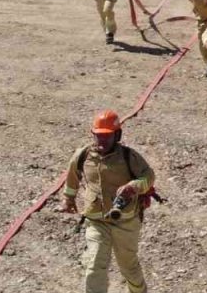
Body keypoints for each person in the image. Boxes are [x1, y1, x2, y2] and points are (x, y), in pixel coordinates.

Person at [60, 110, 155, 293]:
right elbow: (73, 175)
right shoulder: (83, 155)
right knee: (94, 266)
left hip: (125, 222)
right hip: (96, 221)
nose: (102, 141)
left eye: (107, 136)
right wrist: (68, 198)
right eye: (98, 136)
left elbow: (149, 176)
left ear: (117, 135)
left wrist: (134, 186)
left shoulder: (129, 157)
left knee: (129, 267)